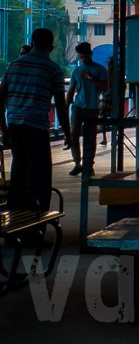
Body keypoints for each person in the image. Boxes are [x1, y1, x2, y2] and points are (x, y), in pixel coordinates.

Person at [0, 28, 69, 214]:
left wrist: (4, 130)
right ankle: (35, 228)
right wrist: (69, 134)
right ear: (52, 47)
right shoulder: (53, 70)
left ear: (32, 43)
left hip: (15, 126)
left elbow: (0, 97)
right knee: (40, 178)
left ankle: (14, 223)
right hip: (37, 128)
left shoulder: (14, 65)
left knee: (18, 174)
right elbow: (61, 107)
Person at [65, 41, 108, 177]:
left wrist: (90, 78)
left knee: (90, 138)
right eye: (81, 57)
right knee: (73, 135)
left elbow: (104, 87)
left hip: (92, 107)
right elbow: (71, 91)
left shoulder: (100, 70)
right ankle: (78, 164)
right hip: (78, 106)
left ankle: (88, 165)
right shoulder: (76, 71)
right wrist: (66, 106)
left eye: (86, 56)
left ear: (91, 54)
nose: (84, 59)